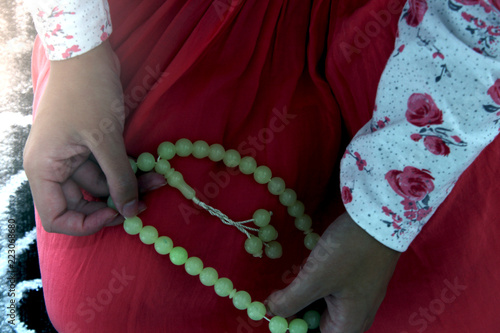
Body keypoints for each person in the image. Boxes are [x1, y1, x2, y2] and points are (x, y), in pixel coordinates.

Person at [23, 0, 500, 332]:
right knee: (115, 308)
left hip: (441, 44)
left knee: (453, 301)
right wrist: (76, 58)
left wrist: (386, 215)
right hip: (208, 25)